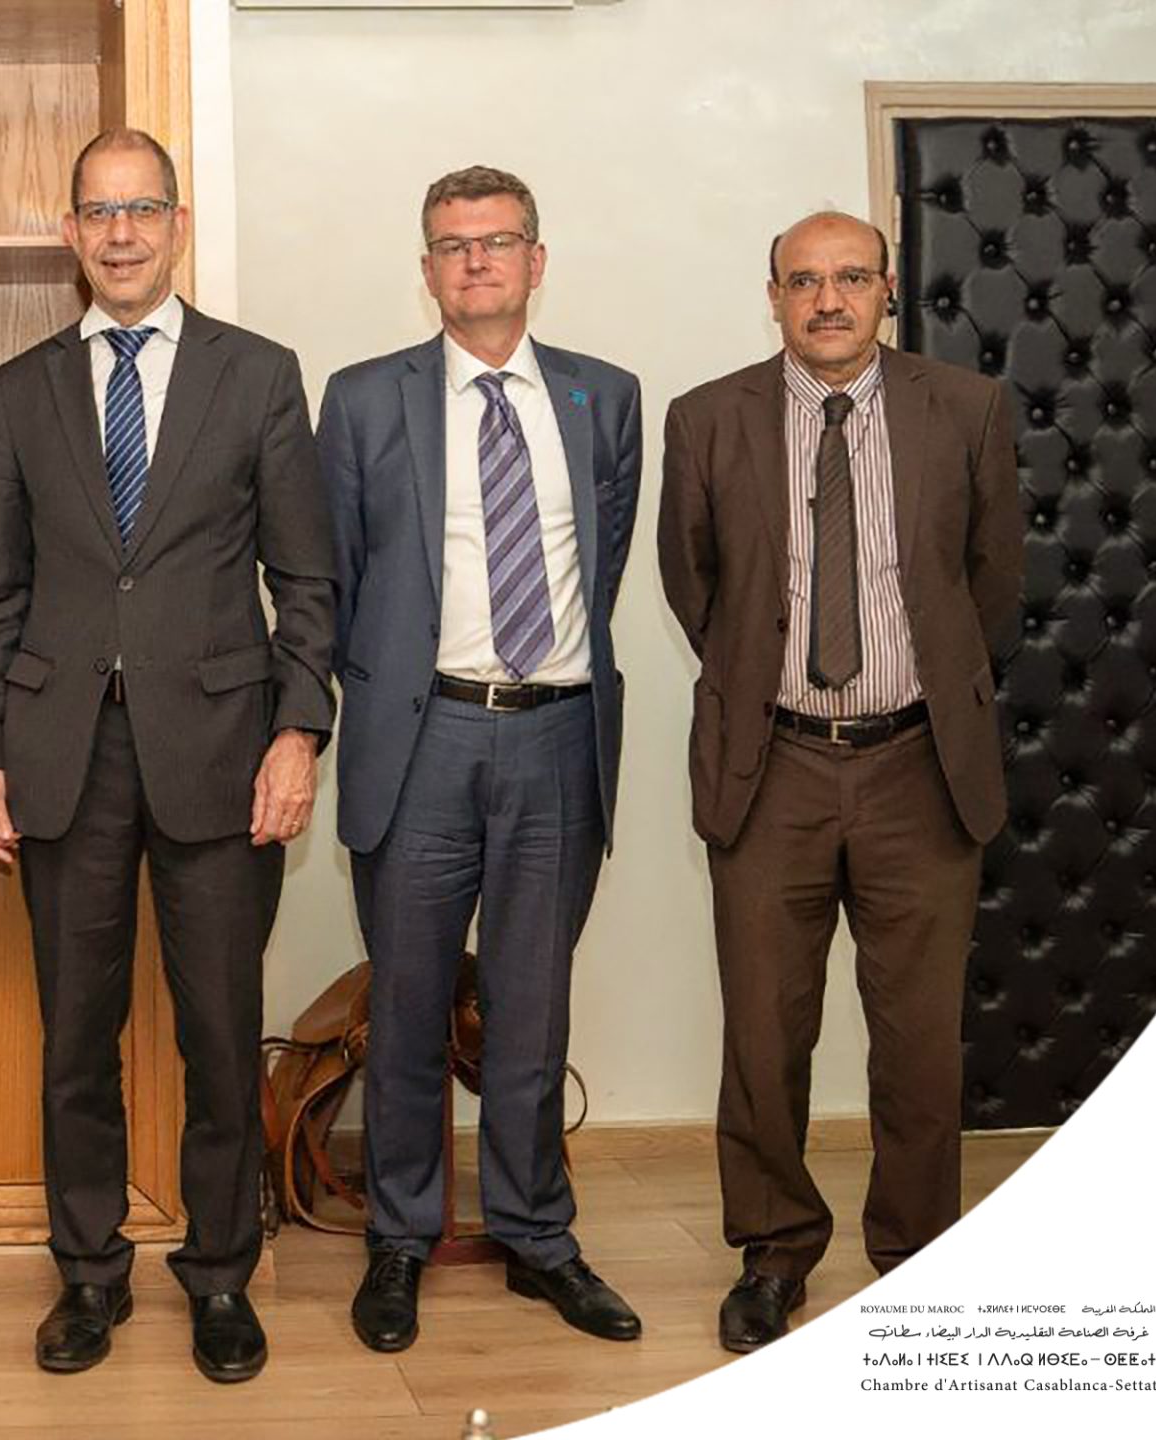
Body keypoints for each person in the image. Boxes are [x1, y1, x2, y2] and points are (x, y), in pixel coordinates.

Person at [0, 127, 334, 1384]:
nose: (119, 234)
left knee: (221, 1035)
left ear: (176, 225)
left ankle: (220, 1272)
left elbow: (306, 579)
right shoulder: (21, 388)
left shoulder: (257, 373)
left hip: (223, 753)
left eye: (141, 210)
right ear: (70, 233)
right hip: (61, 753)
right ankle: (88, 1273)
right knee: (76, 1035)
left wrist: (298, 732)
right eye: (97, 212)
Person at [657, 210, 1021, 1353]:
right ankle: (772, 1253)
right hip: (770, 766)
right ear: (772, 296)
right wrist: (773, 689)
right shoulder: (705, 419)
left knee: (918, 1038)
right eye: (804, 281)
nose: (827, 300)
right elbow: (696, 588)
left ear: (886, 291)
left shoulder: (966, 410)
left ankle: (915, 1255)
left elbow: (989, 587)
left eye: (850, 278)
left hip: (919, 765)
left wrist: (912, 691)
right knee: (764, 1032)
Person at [318, 166, 645, 1350]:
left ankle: (536, 1236)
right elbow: (338, 576)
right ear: (427, 270)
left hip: (557, 732)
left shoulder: (605, 397)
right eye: (452, 245)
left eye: (497, 241)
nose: (475, 261)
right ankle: (400, 1239)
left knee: (530, 1008)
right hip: (422, 736)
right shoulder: (363, 399)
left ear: (534, 260)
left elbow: (603, 562)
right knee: (408, 1005)